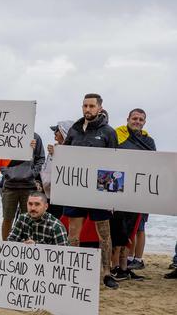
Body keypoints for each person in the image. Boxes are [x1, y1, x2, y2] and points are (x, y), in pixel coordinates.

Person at [62, 93, 119, 289]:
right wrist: (57, 152)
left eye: (92, 106)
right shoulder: (74, 130)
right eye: (85, 106)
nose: (88, 109)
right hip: (76, 189)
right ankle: (73, 270)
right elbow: (65, 158)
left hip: (100, 189)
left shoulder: (109, 132)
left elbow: (115, 166)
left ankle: (106, 273)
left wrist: (112, 195)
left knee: (104, 235)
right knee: (73, 235)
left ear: (100, 108)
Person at [109, 108, 156, 280]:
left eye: (141, 119)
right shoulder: (117, 136)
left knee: (131, 231)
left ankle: (124, 267)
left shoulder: (149, 141)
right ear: (128, 119)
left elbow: (154, 165)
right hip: (118, 189)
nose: (137, 121)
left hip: (138, 192)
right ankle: (114, 266)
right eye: (134, 118)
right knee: (117, 231)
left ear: (144, 122)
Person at [0, 133, 45, 240]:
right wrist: (7, 173)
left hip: (29, 186)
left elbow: (41, 158)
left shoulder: (36, 137)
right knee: (7, 218)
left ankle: (26, 246)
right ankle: (5, 245)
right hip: (10, 186)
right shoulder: (6, 135)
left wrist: (32, 174)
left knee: (30, 219)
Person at [41, 120, 74, 219]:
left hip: (63, 197)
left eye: (57, 130)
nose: (54, 133)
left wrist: (57, 155)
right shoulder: (55, 148)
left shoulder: (73, 151)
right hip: (49, 195)